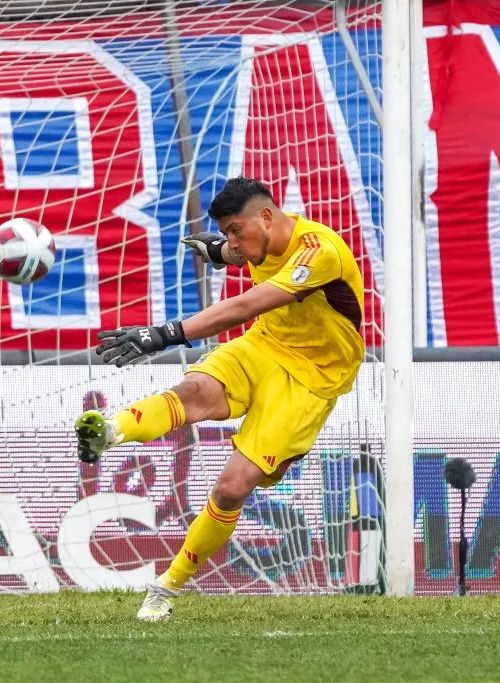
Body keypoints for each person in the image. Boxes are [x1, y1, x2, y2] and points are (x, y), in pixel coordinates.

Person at [75, 177, 365, 622]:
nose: (233, 242)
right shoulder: (256, 240)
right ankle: (110, 432)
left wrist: (164, 335)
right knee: (193, 392)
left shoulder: (318, 253)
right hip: (265, 347)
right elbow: (235, 255)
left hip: (312, 378)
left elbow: (246, 305)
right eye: (226, 232)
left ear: (266, 217)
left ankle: (166, 586)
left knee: (232, 489)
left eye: (236, 230)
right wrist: (216, 250)